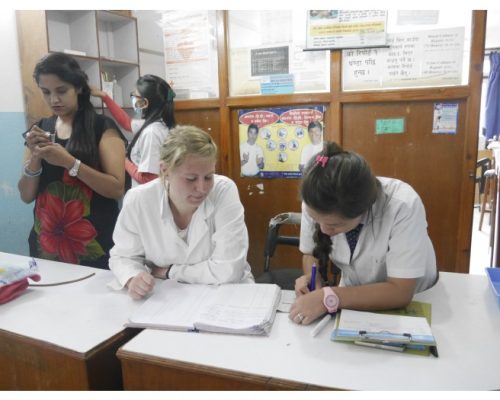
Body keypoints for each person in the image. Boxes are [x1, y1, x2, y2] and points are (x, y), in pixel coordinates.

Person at [289, 142, 437, 326]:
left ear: (364, 209)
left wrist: (328, 296)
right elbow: (310, 253)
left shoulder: (402, 205)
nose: (324, 230)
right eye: (317, 221)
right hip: (352, 296)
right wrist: (314, 285)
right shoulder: (314, 200)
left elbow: (401, 291)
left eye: (334, 224)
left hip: (417, 300)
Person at [108, 125, 254, 299]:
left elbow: (228, 270)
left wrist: (171, 272)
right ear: (165, 171)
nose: (202, 188)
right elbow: (123, 256)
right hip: (166, 299)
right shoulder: (139, 200)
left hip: (226, 296)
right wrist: (133, 278)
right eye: (191, 178)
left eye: (208, 177)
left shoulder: (223, 191)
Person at [18, 52, 127, 268]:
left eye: (61, 91)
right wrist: (35, 158)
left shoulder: (102, 128)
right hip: (47, 244)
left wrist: (70, 162)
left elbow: (116, 189)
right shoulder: (40, 129)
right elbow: (26, 195)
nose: (54, 100)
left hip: (94, 244)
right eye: (46, 92)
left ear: (78, 87)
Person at [91, 74, 176, 188]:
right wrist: (104, 97)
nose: (133, 99)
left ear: (144, 103)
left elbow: (148, 179)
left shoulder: (152, 133)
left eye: (135, 95)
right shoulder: (159, 125)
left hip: (148, 199)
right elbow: (126, 122)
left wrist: (124, 159)